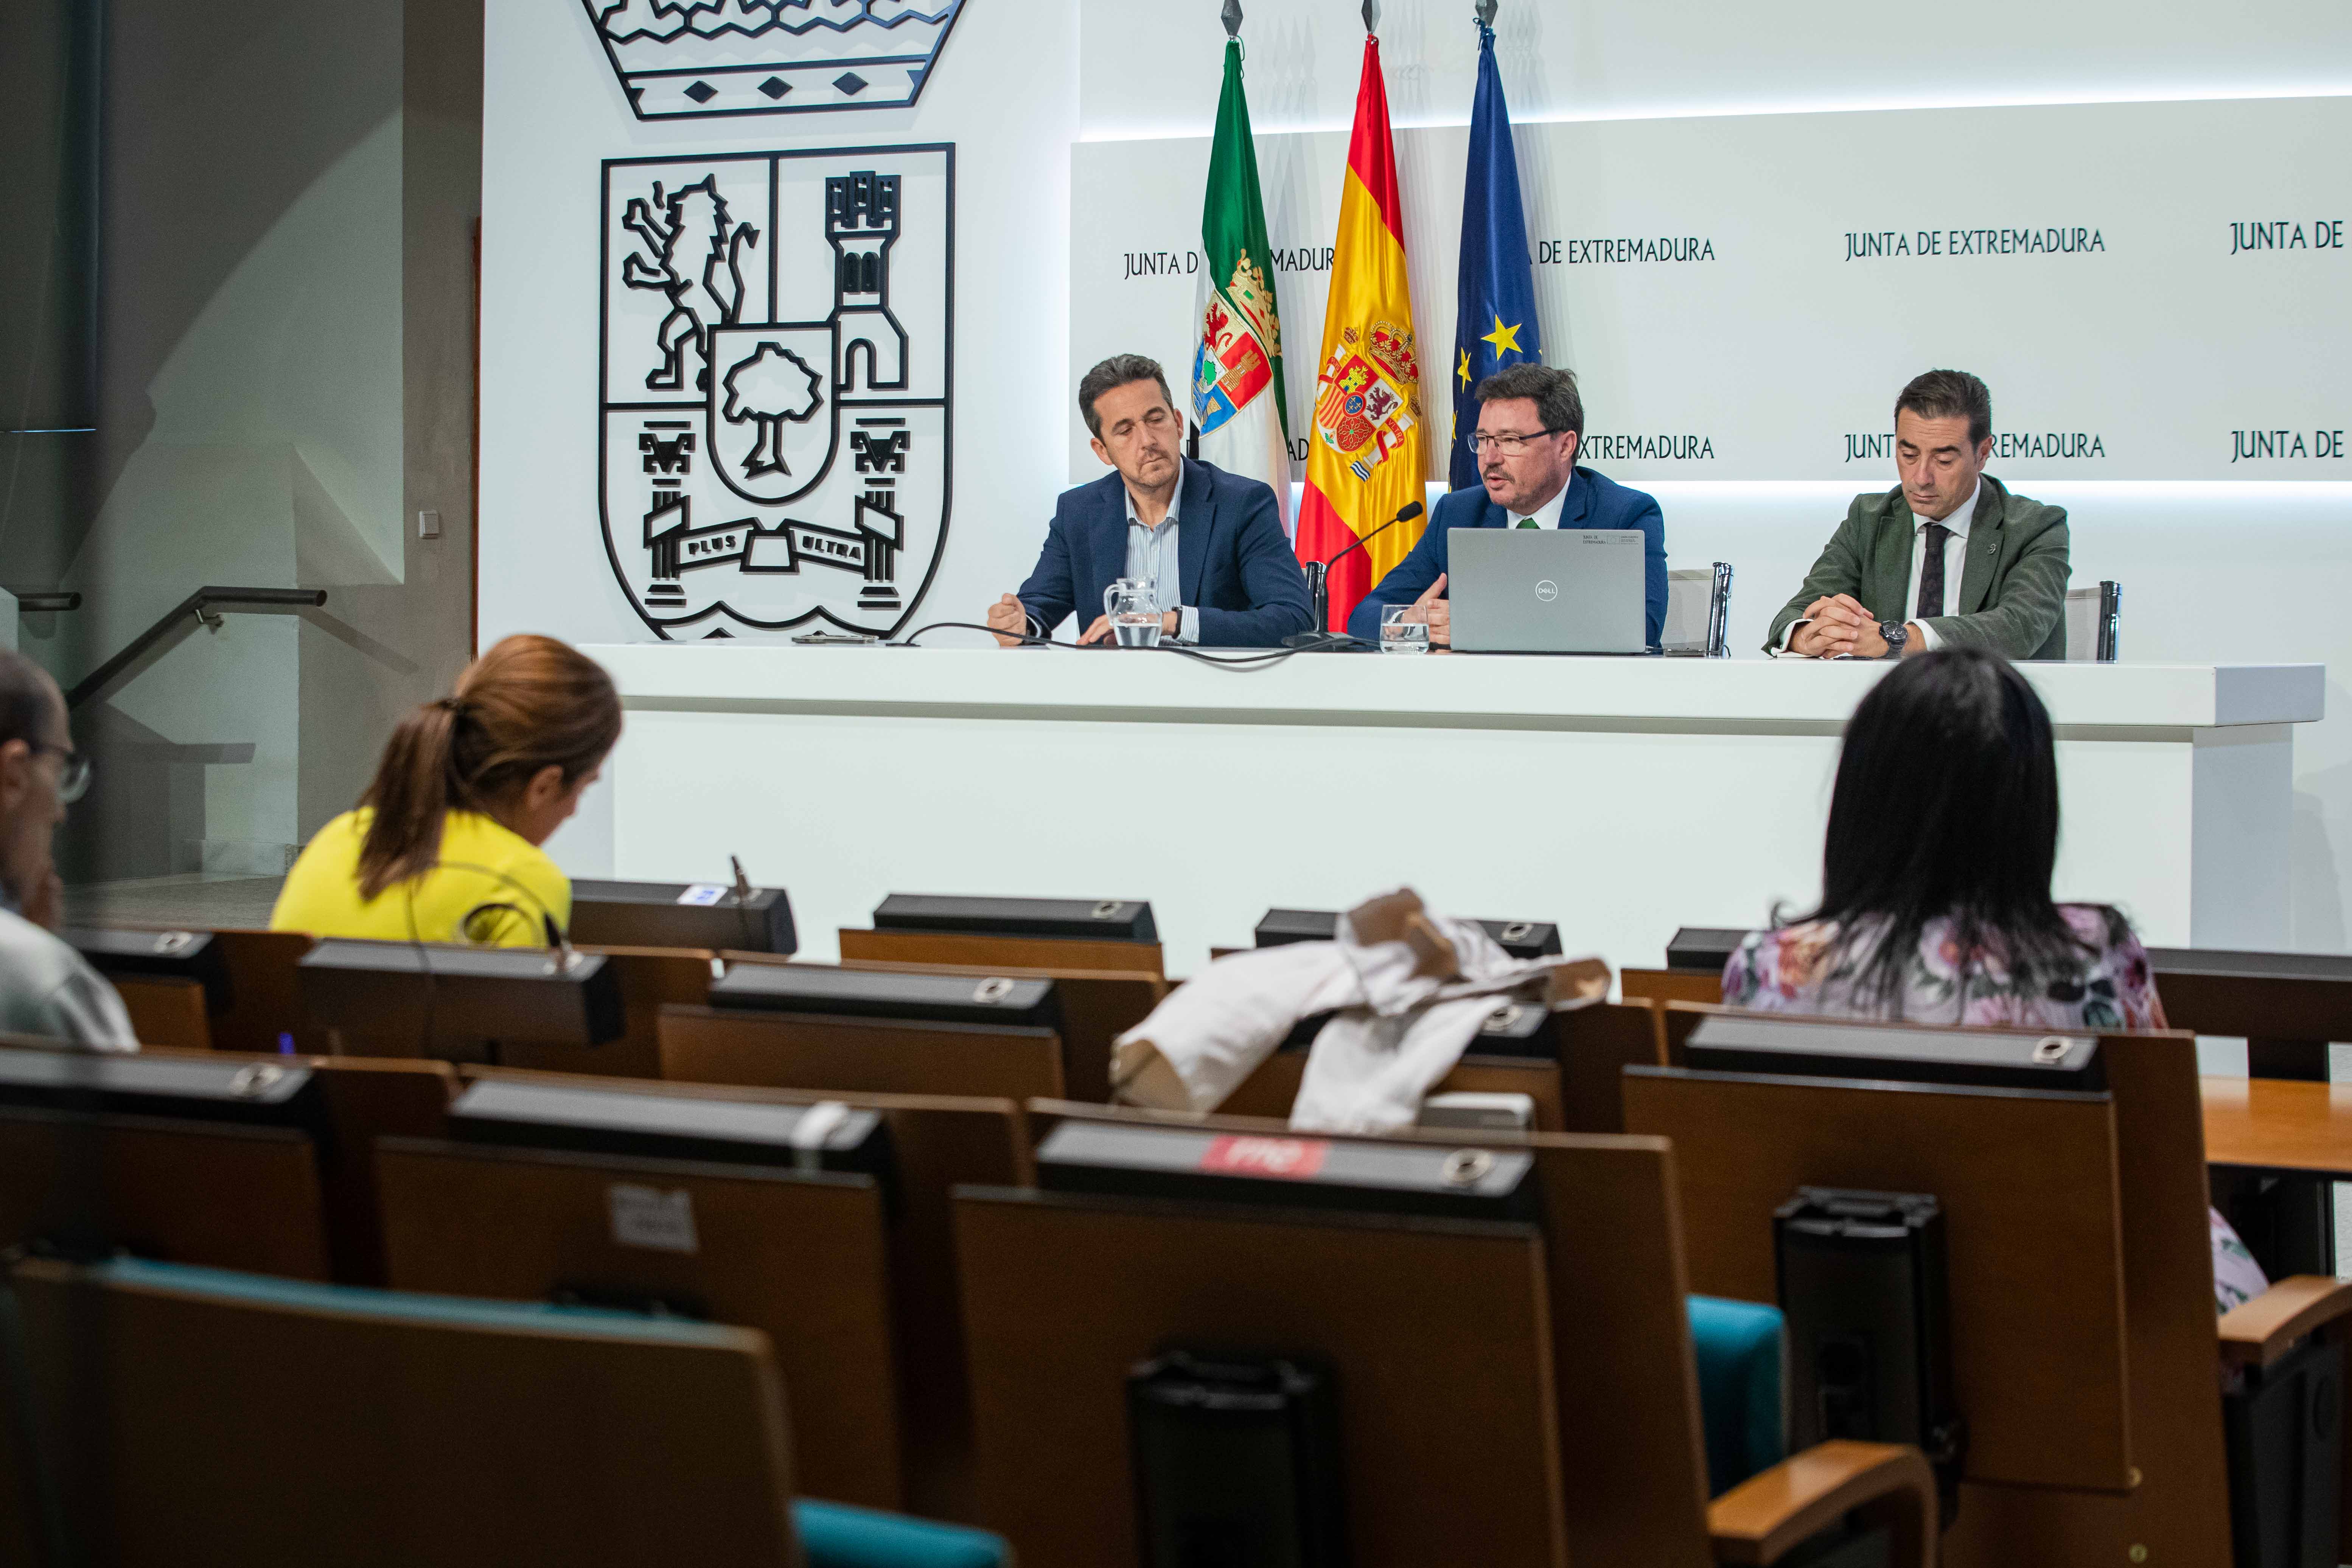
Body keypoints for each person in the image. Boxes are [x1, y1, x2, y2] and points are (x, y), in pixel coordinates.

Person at [1720, 647, 2269, 1313]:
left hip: (1846, 1324)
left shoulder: (1770, 966)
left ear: (1862, 797)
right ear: (2030, 806)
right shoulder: (2090, 957)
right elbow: (2162, 1158)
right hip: (2078, 1333)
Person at [272, 635, 620, 947]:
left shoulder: (336, 839)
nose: (574, 811)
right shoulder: (523, 880)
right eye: (584, 788)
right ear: (543, 786)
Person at [986, 354, 1312, 648]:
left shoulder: (1242, 504)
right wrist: (1019, 622)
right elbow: (1039, 604)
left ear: (1178, 422)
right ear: (1102, 451)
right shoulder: (1079, 512)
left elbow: (1292, 619)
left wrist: (1170, 622)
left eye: (1155, 419)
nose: (1147, 441)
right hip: (1114, 703)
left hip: (1214, 699)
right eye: (1125, 430)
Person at [1344, 363, 1666, 647]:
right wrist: (1411, 627)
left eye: (1510, 441)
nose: (1490, 458)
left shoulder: (1623, 515)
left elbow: (1643, 629)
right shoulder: (1458, 514)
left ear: (1565, 446)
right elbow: (1365, 617)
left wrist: (1482, 626)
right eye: (1483, 440)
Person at [1768, 369, 2069, 660]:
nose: (1921, 477)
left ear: (1982, 453)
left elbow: (2019, 628)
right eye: (1908, 455)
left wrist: (1894, 639)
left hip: (1993, 707)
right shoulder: (1868, 518)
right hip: (1890, 707)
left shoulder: (2036, 527)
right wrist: (1807, 635)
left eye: (1943, 459)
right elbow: (1796, 614)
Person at [0, 651, 135, 1049]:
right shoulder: (45, 980)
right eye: (60, 770)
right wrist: (42, 955)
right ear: (14, 773)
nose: (59, 812)